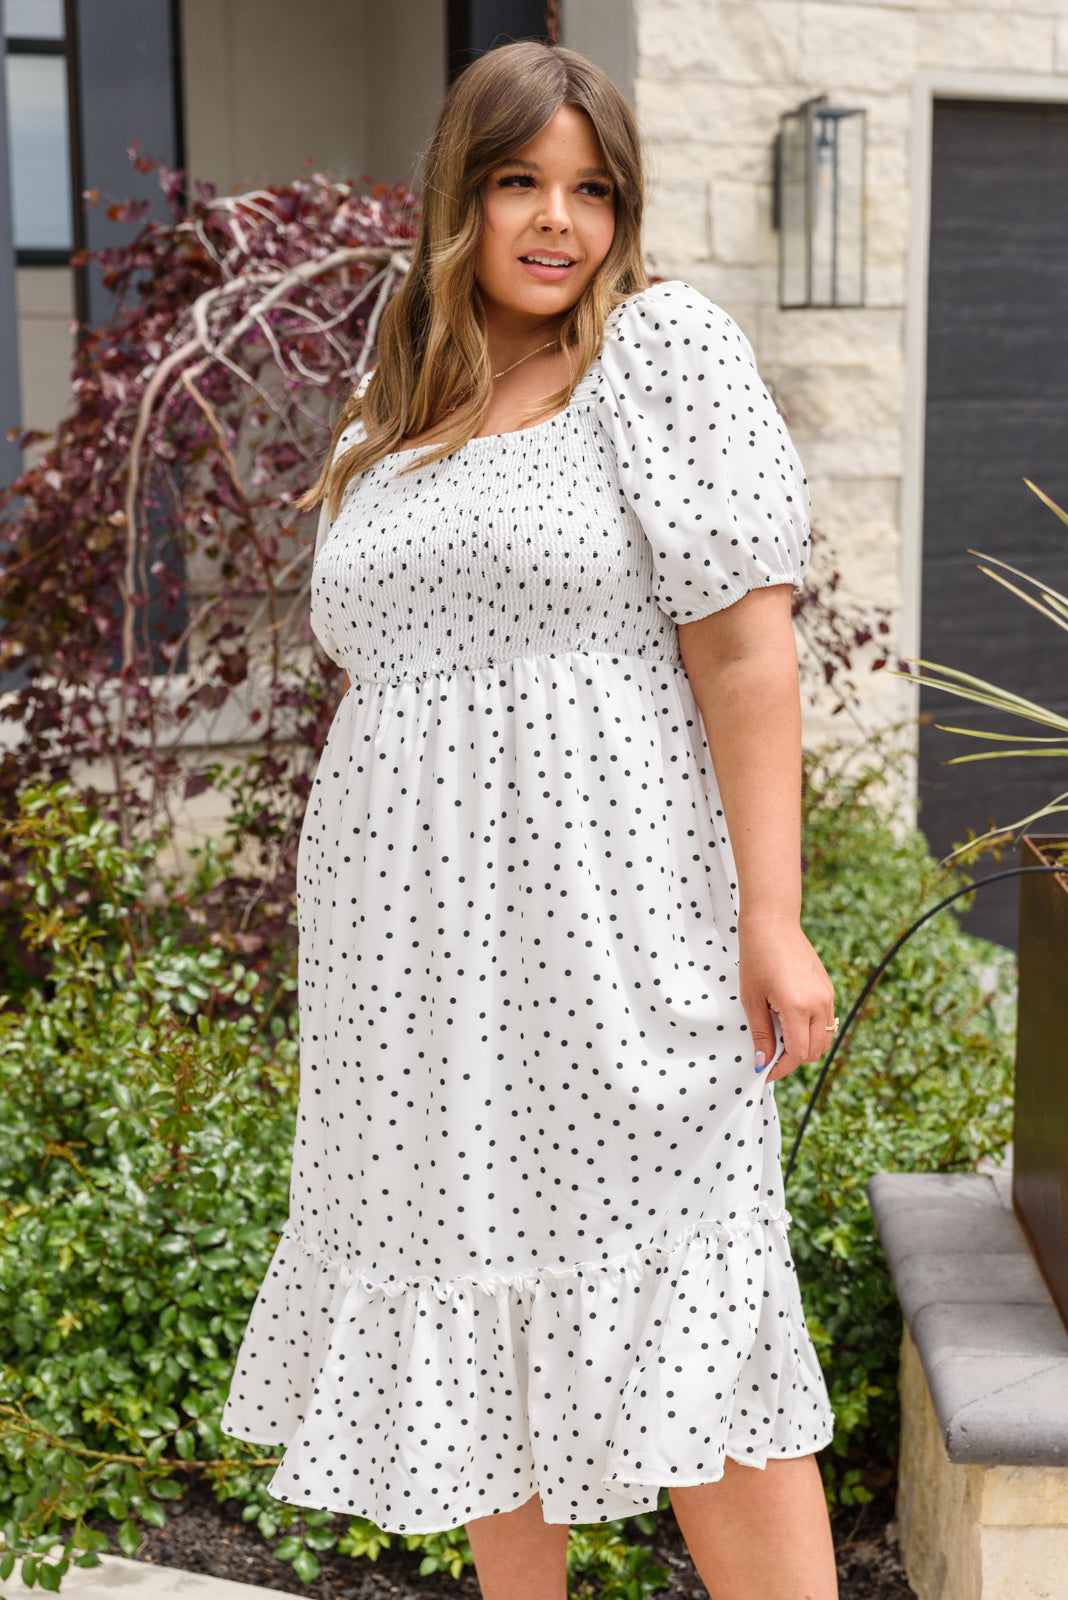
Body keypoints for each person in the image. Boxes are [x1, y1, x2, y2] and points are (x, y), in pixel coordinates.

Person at [222, 39, 839, 1600]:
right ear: (462, 199)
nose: (555, 222)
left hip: (611, 918)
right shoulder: (402, 392)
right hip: (406, 957)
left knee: (694, 1315)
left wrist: (771, 918)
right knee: (481, 1318)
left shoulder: (660, 355)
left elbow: (748, 650)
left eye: (588, 189)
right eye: (518, 184)